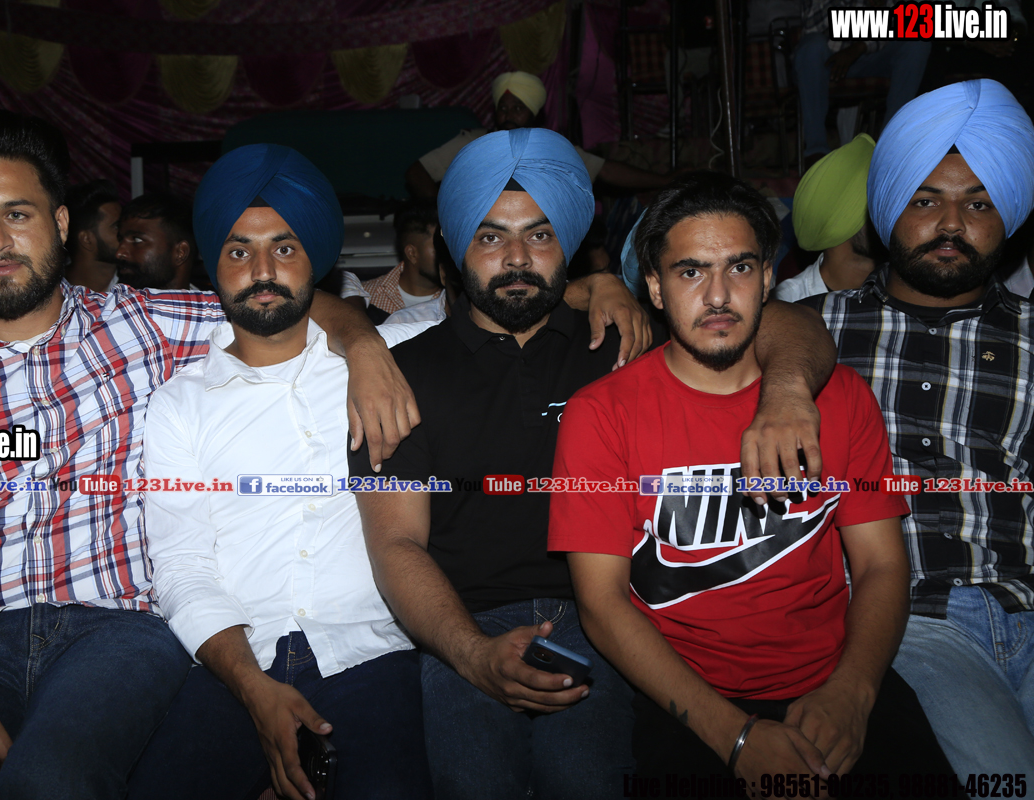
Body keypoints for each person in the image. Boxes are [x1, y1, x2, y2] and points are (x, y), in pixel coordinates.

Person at [0, 107, 424, 799]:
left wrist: (364, 343)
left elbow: (277, 295)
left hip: (120, 629)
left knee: (51, 780)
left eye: (16, 213)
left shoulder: (151, 326)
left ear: (61, 224)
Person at [351, 128, 839, 798]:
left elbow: (788, 325)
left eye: (540, 235)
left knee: (588, 780)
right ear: (453, 246)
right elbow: (396, 543)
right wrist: (470, 653)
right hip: (460, 619)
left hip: (609, 613)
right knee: (472, 782)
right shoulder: (403, 374)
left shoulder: (623, 340)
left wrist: (785, 390)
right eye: (491, 237)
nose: (517, 258)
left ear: (571, 246)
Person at [550, 170, 953, 788]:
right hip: (687, 700)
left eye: (738, 268)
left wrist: (853, 692)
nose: (718, 296)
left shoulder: (840, 397)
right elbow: (602, 605)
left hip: (833, 682)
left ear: (768, 278)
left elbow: (881, 564)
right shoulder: (600, 414)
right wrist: (735, 738)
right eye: (690, 272)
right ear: (654, 286)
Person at [130, 145, 435, 800]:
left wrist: (600, 286)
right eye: (239, 251)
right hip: (237, 663)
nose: (263, 271)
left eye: (285, 248)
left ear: (316, 260)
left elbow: (503, 321)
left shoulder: (397, 358)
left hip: (373, 652)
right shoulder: (179, 404)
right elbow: (182, 566)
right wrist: (252, 688)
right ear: (212, 263)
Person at [802, 78, 1034, 778]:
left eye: (979, 203)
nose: (952, 224)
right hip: (908, 621)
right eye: (925, 200)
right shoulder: (810, 330)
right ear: (886, 209)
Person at [405, 71, 673, 198]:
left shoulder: (550, 146)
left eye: (518, 108)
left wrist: (664, 181)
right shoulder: (474, 141)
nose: (508, 115)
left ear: (533, 113)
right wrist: (443, 213)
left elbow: (605, 170)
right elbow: (417, 172)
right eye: (503, 108)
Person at [794, 0, 930, 169]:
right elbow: (813, 26)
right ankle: (816, 150)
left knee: (917, 38)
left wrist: (861, 46)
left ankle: (890, 146)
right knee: (812, 47)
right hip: (826, 59)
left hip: (868, 56)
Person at [775, 134, 881, 302]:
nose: (888, 215)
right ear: (838, 222)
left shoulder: (911, 291)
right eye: (875, 206)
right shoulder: (789, 305)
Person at [340, 198, 442, 316]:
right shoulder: (365, 299)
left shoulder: (455, 302)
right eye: (439, 247)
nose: (446, 253)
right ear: (412, 253)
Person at [114, 192, 198, 290]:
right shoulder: (109, 299)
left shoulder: (209, 300)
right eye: (120, 240)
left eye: (137, 240)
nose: (119, 253)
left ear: (180, 252)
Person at [64, 179, 122, 293]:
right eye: (116, 226)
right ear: (87, 239)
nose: (125, 232)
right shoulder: (49, 292)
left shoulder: (137, 287)